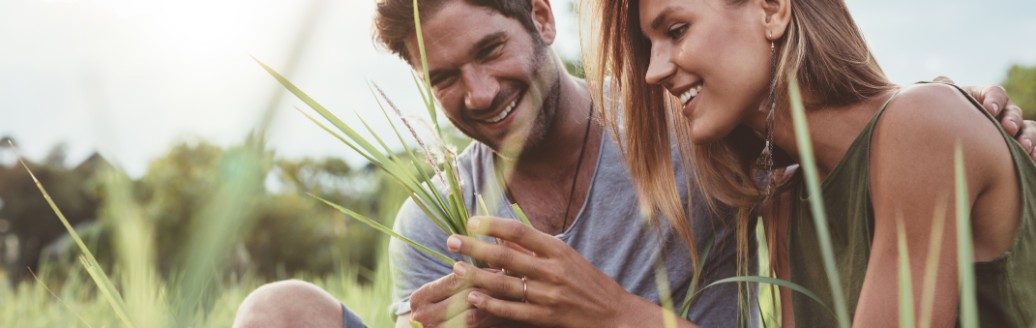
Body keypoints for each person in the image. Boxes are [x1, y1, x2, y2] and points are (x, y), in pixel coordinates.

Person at [232, 0, 1035, 327]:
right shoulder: (783, 190)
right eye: (443, 76)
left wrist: (613, 314)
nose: (656, 71)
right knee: (278, 311)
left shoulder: (694, 148)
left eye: (675, 28)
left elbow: (888, 122)